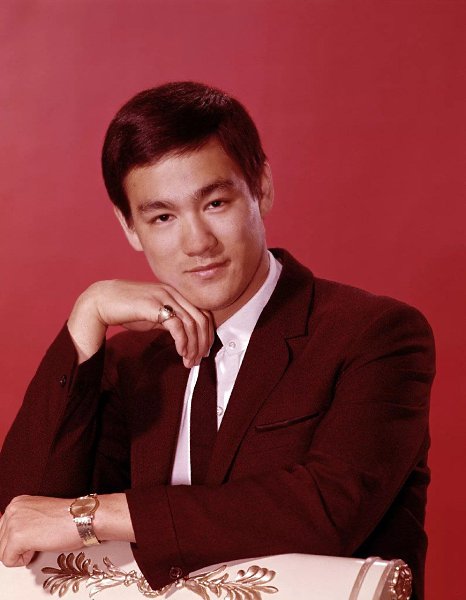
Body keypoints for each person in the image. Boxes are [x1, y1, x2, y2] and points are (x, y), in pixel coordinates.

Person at [0, 82, 435, 600]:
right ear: (130, 227)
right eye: (163, 217)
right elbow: (22, 523)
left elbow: (325, 509)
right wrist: (86, 317)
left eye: (215, 202)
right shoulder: (133, 362)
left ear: (262, 188)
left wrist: (93, 516)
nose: (197, 243)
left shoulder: (374, 334)